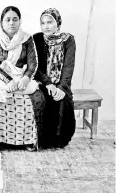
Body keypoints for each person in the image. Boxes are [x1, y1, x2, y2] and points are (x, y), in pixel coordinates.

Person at [0, 6, 45, 151]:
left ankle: (28, 141)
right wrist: (8, 81)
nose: (11, 23)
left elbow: (33, 63)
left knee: (35, 95)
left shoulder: (27, 39)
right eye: (8, 20)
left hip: (21, 76)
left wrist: (26, 78)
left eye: (15, 19)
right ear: (1, 22)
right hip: (1, 77)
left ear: (19, 21)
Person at [33, 8, 76, 149]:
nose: (46, 26)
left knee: (63, 101)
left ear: (58, 22)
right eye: (43, 23)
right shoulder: (37, 39)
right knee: (43, 99)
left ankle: (59, 141)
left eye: (50, 22)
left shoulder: (68, 40)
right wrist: (48, 83)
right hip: (42, 81)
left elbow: (68, 66)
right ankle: (43, 141)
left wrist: (62, 87)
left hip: (61, 83)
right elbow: (35, 66)